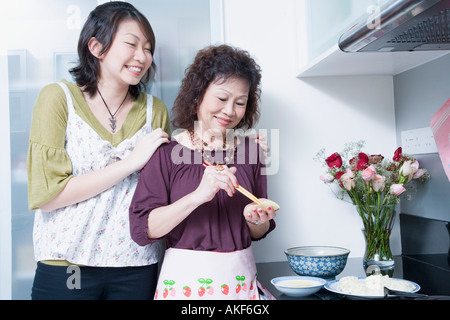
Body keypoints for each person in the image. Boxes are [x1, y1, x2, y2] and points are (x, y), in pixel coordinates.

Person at [27, 1, 170, 300]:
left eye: (147, 47)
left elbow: (162, 193)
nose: (142, 56)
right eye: (131, 44)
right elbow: (48, 196)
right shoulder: (58, 98)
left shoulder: (154, 111)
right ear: (96, 47)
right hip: (68, 264)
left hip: (136, 264)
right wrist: (131, 162)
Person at [129, 44, 278, 300]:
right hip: (183, 288)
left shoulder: (251, 153)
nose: (230, 111)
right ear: (198, 95)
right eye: (222, 98)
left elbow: (259, 232)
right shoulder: (165, 154)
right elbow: (143, 230)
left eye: (240, 102)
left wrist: (257, 220)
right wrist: (198, 195)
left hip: (240, 287)